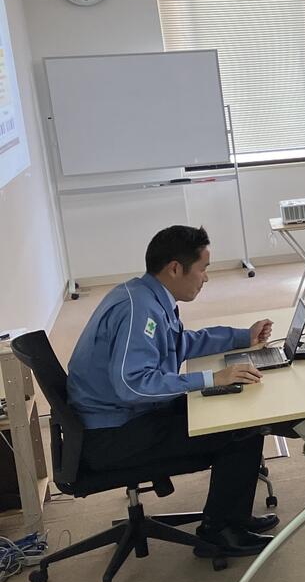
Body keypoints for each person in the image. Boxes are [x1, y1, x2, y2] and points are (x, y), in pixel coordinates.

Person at [67, 226, 277, 558]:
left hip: (124, 417)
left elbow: (180, 343)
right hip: (112, 435)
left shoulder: (145, 295)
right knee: (239, 429)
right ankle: (221, 532)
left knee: (229, 407)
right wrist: (210, 378)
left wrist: (241, 337)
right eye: (203, 269)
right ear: (175, 268)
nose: (206, 278)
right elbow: (132, 385)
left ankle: (233, 517)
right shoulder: (140, 311)